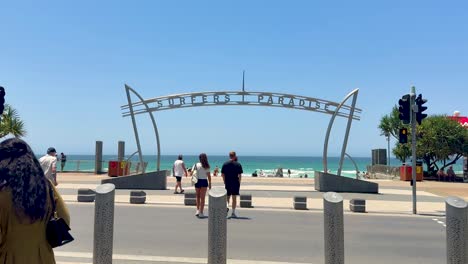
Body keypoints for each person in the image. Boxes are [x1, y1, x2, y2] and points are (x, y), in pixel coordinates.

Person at [0, 138, 70, 263]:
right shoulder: (46, 186)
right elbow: (65, 218)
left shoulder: (2, 190)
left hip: (8, 257)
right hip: (43, 256)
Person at [221, 151, 243, 218]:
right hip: (235, 182)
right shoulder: (238, 164)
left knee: (227, 198)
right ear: (235, 156)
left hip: (227, 182)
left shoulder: (225, 164)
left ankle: (226, 210)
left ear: (229, 156)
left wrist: (224, 181)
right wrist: (239, 182)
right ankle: (233, 213)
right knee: (234, 198)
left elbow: (222, 174)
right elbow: (239, 175)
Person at [193, 153, 212, 217]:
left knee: (197, 196)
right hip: (204, 181)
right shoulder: (207, 165)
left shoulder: (196, 164)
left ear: (199, 158)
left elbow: (192, 173)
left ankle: (197, 210)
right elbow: (209, 176)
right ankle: (201, 212)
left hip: (197, 181)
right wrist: (210, 183)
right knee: (202, 198)